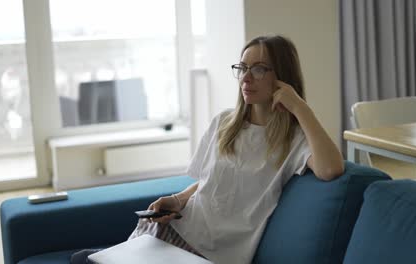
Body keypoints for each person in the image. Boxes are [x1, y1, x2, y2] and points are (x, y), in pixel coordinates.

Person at [70, 35, 344, 264]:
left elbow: (331, 169)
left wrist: (299, 107)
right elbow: (210, 182)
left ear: (283, 78)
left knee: (88, 261)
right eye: (242, 68)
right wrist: (178, 199)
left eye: (259, 69)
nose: (246, 78)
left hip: (210, 255)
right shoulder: (224, 122)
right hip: (170, 229)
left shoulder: (293, 139)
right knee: (86, 260)